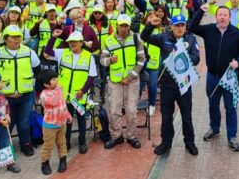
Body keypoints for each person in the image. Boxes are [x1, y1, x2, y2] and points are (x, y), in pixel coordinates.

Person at [190, 3, 239, 152]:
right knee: (213, 105)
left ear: (229, 17)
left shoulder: (238, 33)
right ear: (216, 16)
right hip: (212, 76)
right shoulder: (209, 30)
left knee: (231, 108)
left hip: (230, 77)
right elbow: (192, 28)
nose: (222, 17)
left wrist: (238, 61)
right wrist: (200, 12)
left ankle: (232, 136)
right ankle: (214, 128)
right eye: (219, 14)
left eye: (225, 15)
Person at [141, 14, 200, 155]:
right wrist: (150, 25)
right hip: (167, 84)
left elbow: (196, 59)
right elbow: (145, 37)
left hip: (184, 84)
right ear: (171, 27)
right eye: (177, 25)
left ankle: (189, 142)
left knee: (186, 114)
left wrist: (181, 55)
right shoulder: (164, 38)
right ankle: (166, 142)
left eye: (182, 25)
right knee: (166, 115)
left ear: (185, 27)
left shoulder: (191, 39)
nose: (180, 28)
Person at [0, 25, 41, 156]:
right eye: (13, 37)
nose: (17, 39)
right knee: (7, 123)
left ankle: (25, 143)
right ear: (6, 39)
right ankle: (2, 145)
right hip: (5, 97)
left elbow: (37, 68)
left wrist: (37, 88)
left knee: (24, 122)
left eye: (18, 36)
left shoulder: (28, 51)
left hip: (26, 94)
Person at [44, 31, 97, 154]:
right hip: (64, 94)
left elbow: (92, 76)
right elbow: (48, 51)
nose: (72, 44)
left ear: (81, 43)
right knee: (65, 119)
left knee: (81, 118)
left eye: (74, 42)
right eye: (70, 42)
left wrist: (82, 91)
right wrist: (53, 37)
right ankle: (66, 141)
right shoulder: (62, 52)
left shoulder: (89, 57)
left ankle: (82, 140)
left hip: (79, 96)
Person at [100, 14, 146, 149]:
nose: (124, 28)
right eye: (122, 26)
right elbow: (102, 60)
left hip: (131, 81)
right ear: (117, 26)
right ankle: (116, 136)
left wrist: (130, 77)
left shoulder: (136, 38)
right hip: (115, 81)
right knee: (114, 110)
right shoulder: (108, 41)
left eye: (126, 26)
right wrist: (109, 61)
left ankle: (131, 136)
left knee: (131, 110)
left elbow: (141, 60)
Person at [38, 69, 72, 175]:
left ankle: (63, 160)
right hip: (50, 125)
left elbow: (62, 105)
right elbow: (53, 102)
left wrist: (68, 115)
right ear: (46, 84)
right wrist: (58, 91)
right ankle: (45, 163)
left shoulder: (58, 91)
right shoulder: (44, 94)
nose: (56, 80)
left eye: (56, 78)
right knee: (48, 145)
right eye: (53, 79)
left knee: (62, 143)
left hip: (62, 123)